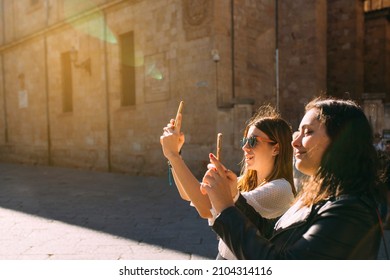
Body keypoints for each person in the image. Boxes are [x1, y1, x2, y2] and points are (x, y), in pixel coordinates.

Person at [202, 97, 383, 259]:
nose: (294, 142)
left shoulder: (349, 211)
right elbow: (272, 232)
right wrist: (234, 197)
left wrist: (226, 209)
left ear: (341, 140)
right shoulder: (320, 194)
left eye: (308, 132)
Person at [160, 105, 296, 259]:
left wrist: (173, 155)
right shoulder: (243, 182)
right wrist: (175, 154)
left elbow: (205, 208)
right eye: (245, 140)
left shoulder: (281, 189)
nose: (245, 147)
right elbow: (190, 195)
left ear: (276, 148)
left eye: (252, 141)